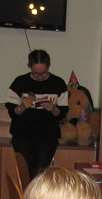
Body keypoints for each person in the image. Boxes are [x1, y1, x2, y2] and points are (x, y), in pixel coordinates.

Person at [5, 49, 69, 179]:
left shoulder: (58, 83)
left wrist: (53, 109)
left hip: (47, 136)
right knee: (25, 172)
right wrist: (22, 106)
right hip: (23, 134)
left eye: (43, 73)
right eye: (35, 73)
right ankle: (26, 192)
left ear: (48, 67)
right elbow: (12, 112)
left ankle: (37, 193)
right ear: (29, 67)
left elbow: (62, 114)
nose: (40, 77)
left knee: (40, 173)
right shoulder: (20, 82)